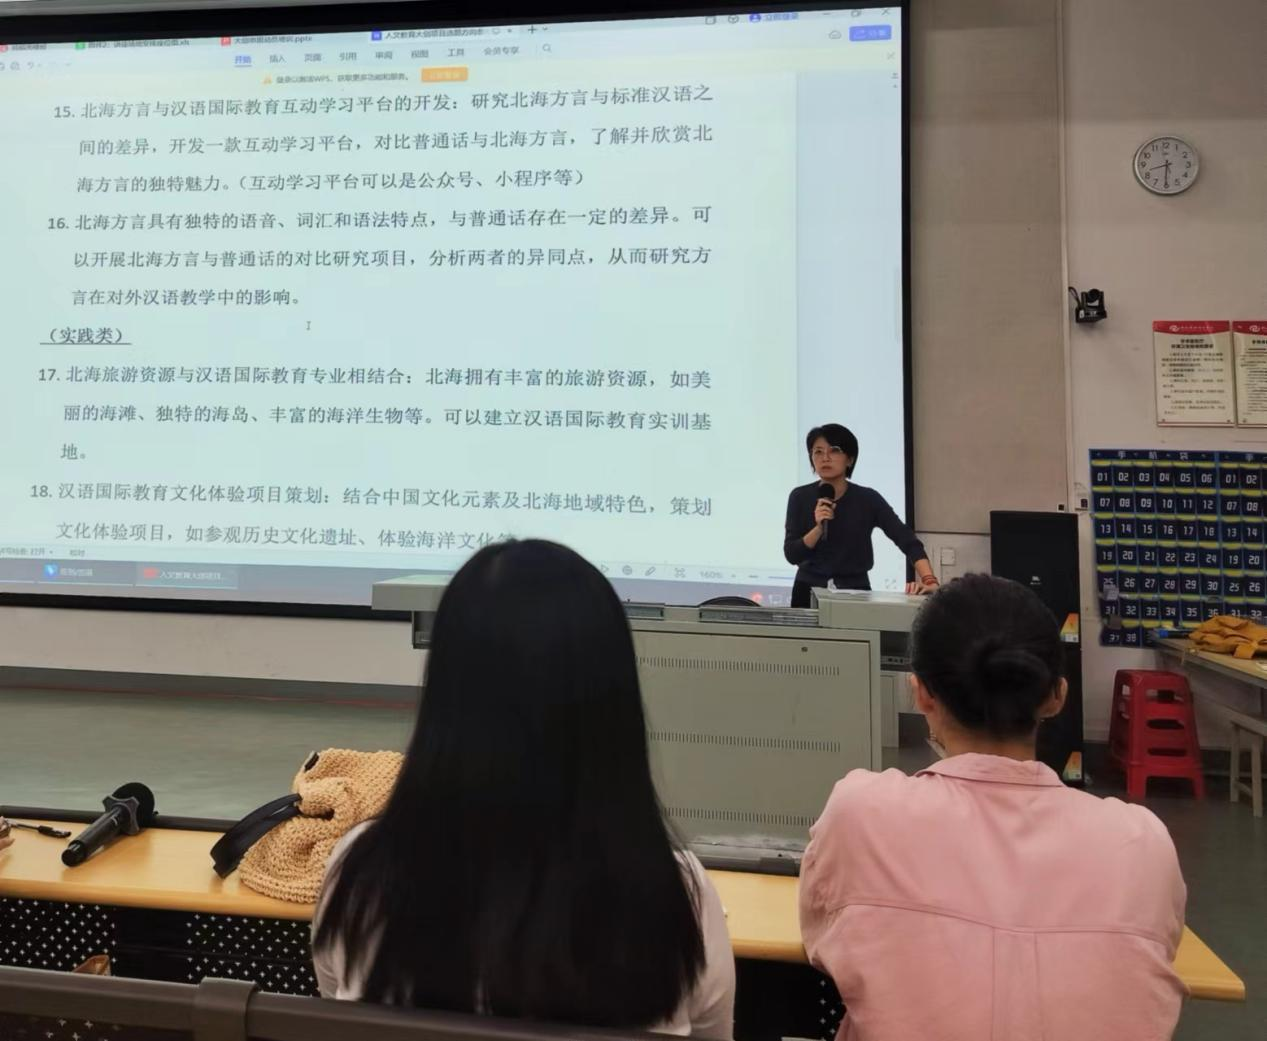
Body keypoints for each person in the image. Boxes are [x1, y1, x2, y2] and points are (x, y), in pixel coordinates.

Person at [312, 540, 735, 1036]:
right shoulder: (677, 895)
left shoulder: (360, 875)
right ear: (612, 705)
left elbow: (334, 1010)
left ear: (446, 696)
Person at [799, 574, 1187, 1041]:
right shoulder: (1142, 842)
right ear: (1057, 696)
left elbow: (819, 942)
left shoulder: (860, 813)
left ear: (919, 692)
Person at [783, 424, 936, 607]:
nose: (825, 458)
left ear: (850, 459)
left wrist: (929, 580)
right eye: (818, 452)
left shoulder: (868, 499)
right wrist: (817, 529)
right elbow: (791, 554)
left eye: (834, 450)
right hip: (807, 590)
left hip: (855, 590)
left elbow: (906, 539)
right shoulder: (800, 497)